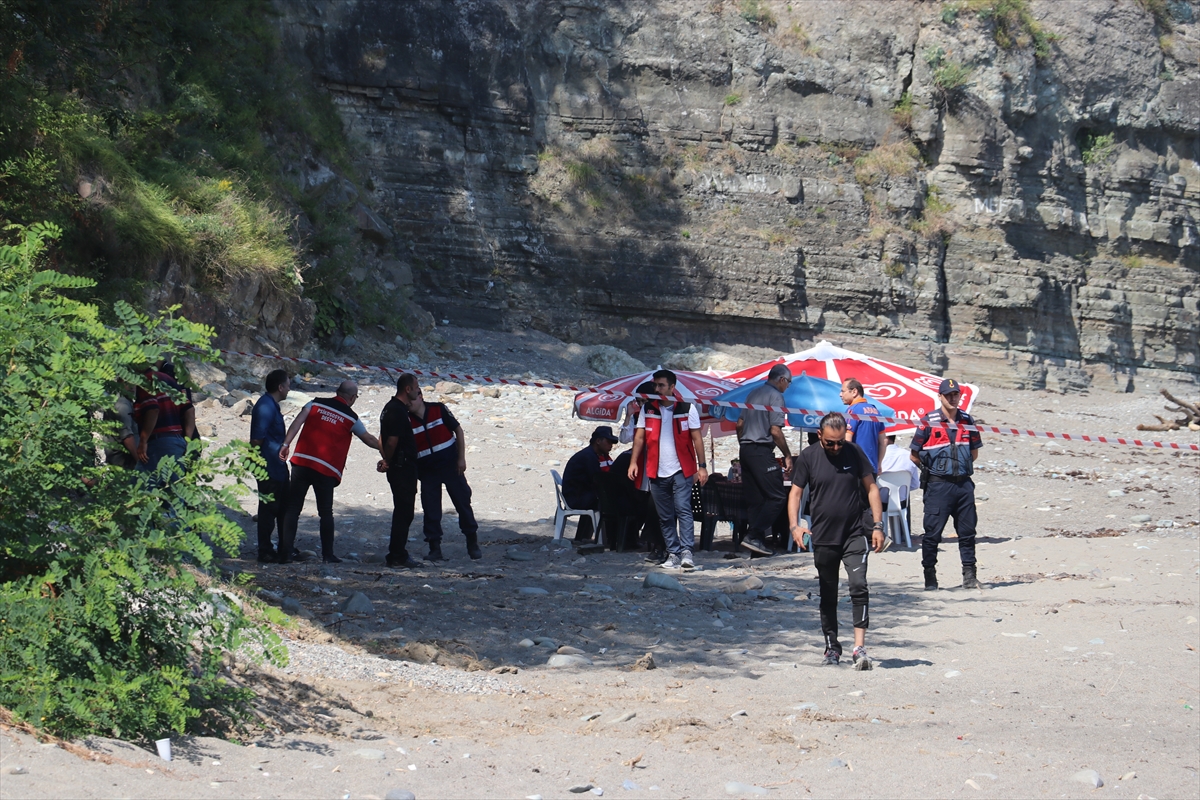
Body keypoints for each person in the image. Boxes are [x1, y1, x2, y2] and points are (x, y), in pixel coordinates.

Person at [787, 412, 885, 670]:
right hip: (823, 536)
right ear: (820, 435)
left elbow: (872, 488)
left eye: (840, 441)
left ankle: (859, 648)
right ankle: (831, 646)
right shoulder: (808, 457)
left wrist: (878, 525)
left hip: (854, 532)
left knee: (858, 585)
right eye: (830, 442)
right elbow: (795, 493)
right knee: (828, 593)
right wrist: (795, 526)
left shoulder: (854, 452)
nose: (836, 447)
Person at [278, 380, 382, 564]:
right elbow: (368, 439)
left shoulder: (315, 403)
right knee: (325, 512)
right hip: (325, 469)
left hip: (301, 461)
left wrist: (286, 444)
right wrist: (387, 450)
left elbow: (297, 423)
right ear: (352, 398)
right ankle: (328, 555)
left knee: (293, 508)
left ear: (336, 391)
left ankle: (285, 552)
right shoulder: (351, 417)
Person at [628, 369, 708, 571]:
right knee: (664, 515)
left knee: (683, 510)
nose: (657, 389)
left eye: (661, 385)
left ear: (672, 387)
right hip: (656, 470)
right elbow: (639, 437)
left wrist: (702, 466)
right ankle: (673, 553)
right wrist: (633, 462)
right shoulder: (648, 409)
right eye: (655, 385)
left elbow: (697, 438)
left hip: (682, 469)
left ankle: (687, 552)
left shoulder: (687, 408)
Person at [911, 378, 983, 591]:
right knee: (932, 534)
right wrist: (932, 470)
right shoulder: (929, 420)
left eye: (956, 394)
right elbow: (914, 455)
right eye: (948, 395)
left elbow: (974, 453)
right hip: (938, 487)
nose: (953, 398)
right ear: (940, 396)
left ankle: (970, 576)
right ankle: (930, 578)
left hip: (963, 486)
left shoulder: (967, 420)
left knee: (968, 533)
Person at [407, 381, 481, 561]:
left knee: (463, 503)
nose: (409, 404)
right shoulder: (407, 420)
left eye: (412, 400)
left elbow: (458, 431)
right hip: (427, 471)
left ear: (420, 397)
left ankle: (472, 542)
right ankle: (434, 548)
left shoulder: (439, 409)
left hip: (450, 466)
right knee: (431, 509)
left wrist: (461, 458)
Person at [736, 364, 794, 556]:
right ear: (782, 379)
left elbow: (739, 424)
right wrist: (786, 454)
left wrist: (744, 444)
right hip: (761, 450)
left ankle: (755, 545)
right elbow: (775, 431)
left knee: (756, 500)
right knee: (777, 496)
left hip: (745, 449)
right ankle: (753, 535)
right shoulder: (776, 396)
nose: (787, 387)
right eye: (789, 383)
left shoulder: (753, 393)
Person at [249, 369, 293, 563]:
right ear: (280, 387)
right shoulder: (265, 407)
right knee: (268, 510)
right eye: (288, 385)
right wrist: (257, 460)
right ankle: (265, 550)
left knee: (283, 508)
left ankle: (285, 548)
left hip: (277, 465)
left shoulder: (271, 405)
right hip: (268, 466)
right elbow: (257, 438)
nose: (289, 390)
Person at [379, 374, 422, 568]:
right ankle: (397, 555)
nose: (418, 390)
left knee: (404, 511)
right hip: (401, 467)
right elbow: (391, 440)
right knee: (404, 512)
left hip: (400, 465)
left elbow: (383, 437)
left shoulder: (392, 408)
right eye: (416, 387)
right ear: (407, 389)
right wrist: (387, 459)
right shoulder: (396, 410)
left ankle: (398, 553)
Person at [133, 364, 195, 476]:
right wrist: (187, 440)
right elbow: (189, 410)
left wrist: (143, 441)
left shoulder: (146, 381)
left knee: (140, 487)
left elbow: (153, 410)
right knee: (172, 487)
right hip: (177, 441)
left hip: (158, 443)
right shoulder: (168, 379)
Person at [561, 425, 619, 541]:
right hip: (576, 497)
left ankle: (585, 537)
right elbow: (598, 480)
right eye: (608, 442)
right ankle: (610, 539)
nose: (611, 446)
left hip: (577, 494)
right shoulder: (589, 457)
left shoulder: (591, 455)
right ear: (598, 441)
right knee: (609, 503)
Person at [841, 378, 887, 475]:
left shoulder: (853, 410)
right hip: (872, 467)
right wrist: (878, 464)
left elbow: (847, 439)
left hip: (856, 467)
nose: (840, 395)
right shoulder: (876, 411)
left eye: (843, 391)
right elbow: (883, 441)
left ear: (854, 392)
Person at [102, 389, 139, 469]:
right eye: (128, 382)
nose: (132, 386)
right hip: (124, 461)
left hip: (119, 460)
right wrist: (139, 460)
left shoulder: (116, 401)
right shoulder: (122, 405)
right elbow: (127, 436)